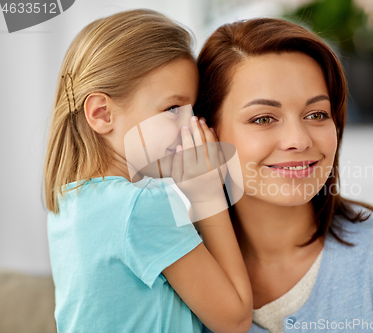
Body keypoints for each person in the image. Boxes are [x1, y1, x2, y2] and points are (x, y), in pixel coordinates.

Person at [195, 18, 373, 332]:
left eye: (316, 114)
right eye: (263, 118)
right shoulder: (169, 266)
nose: (298, 140)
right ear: (204, 132)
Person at [43, 9, 252, 333]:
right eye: (172, 108)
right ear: (101, 113)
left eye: (192, 109)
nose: (191, 126)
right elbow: (235, 320)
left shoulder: (69, 202)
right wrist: (207, 192)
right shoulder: (143, 205)